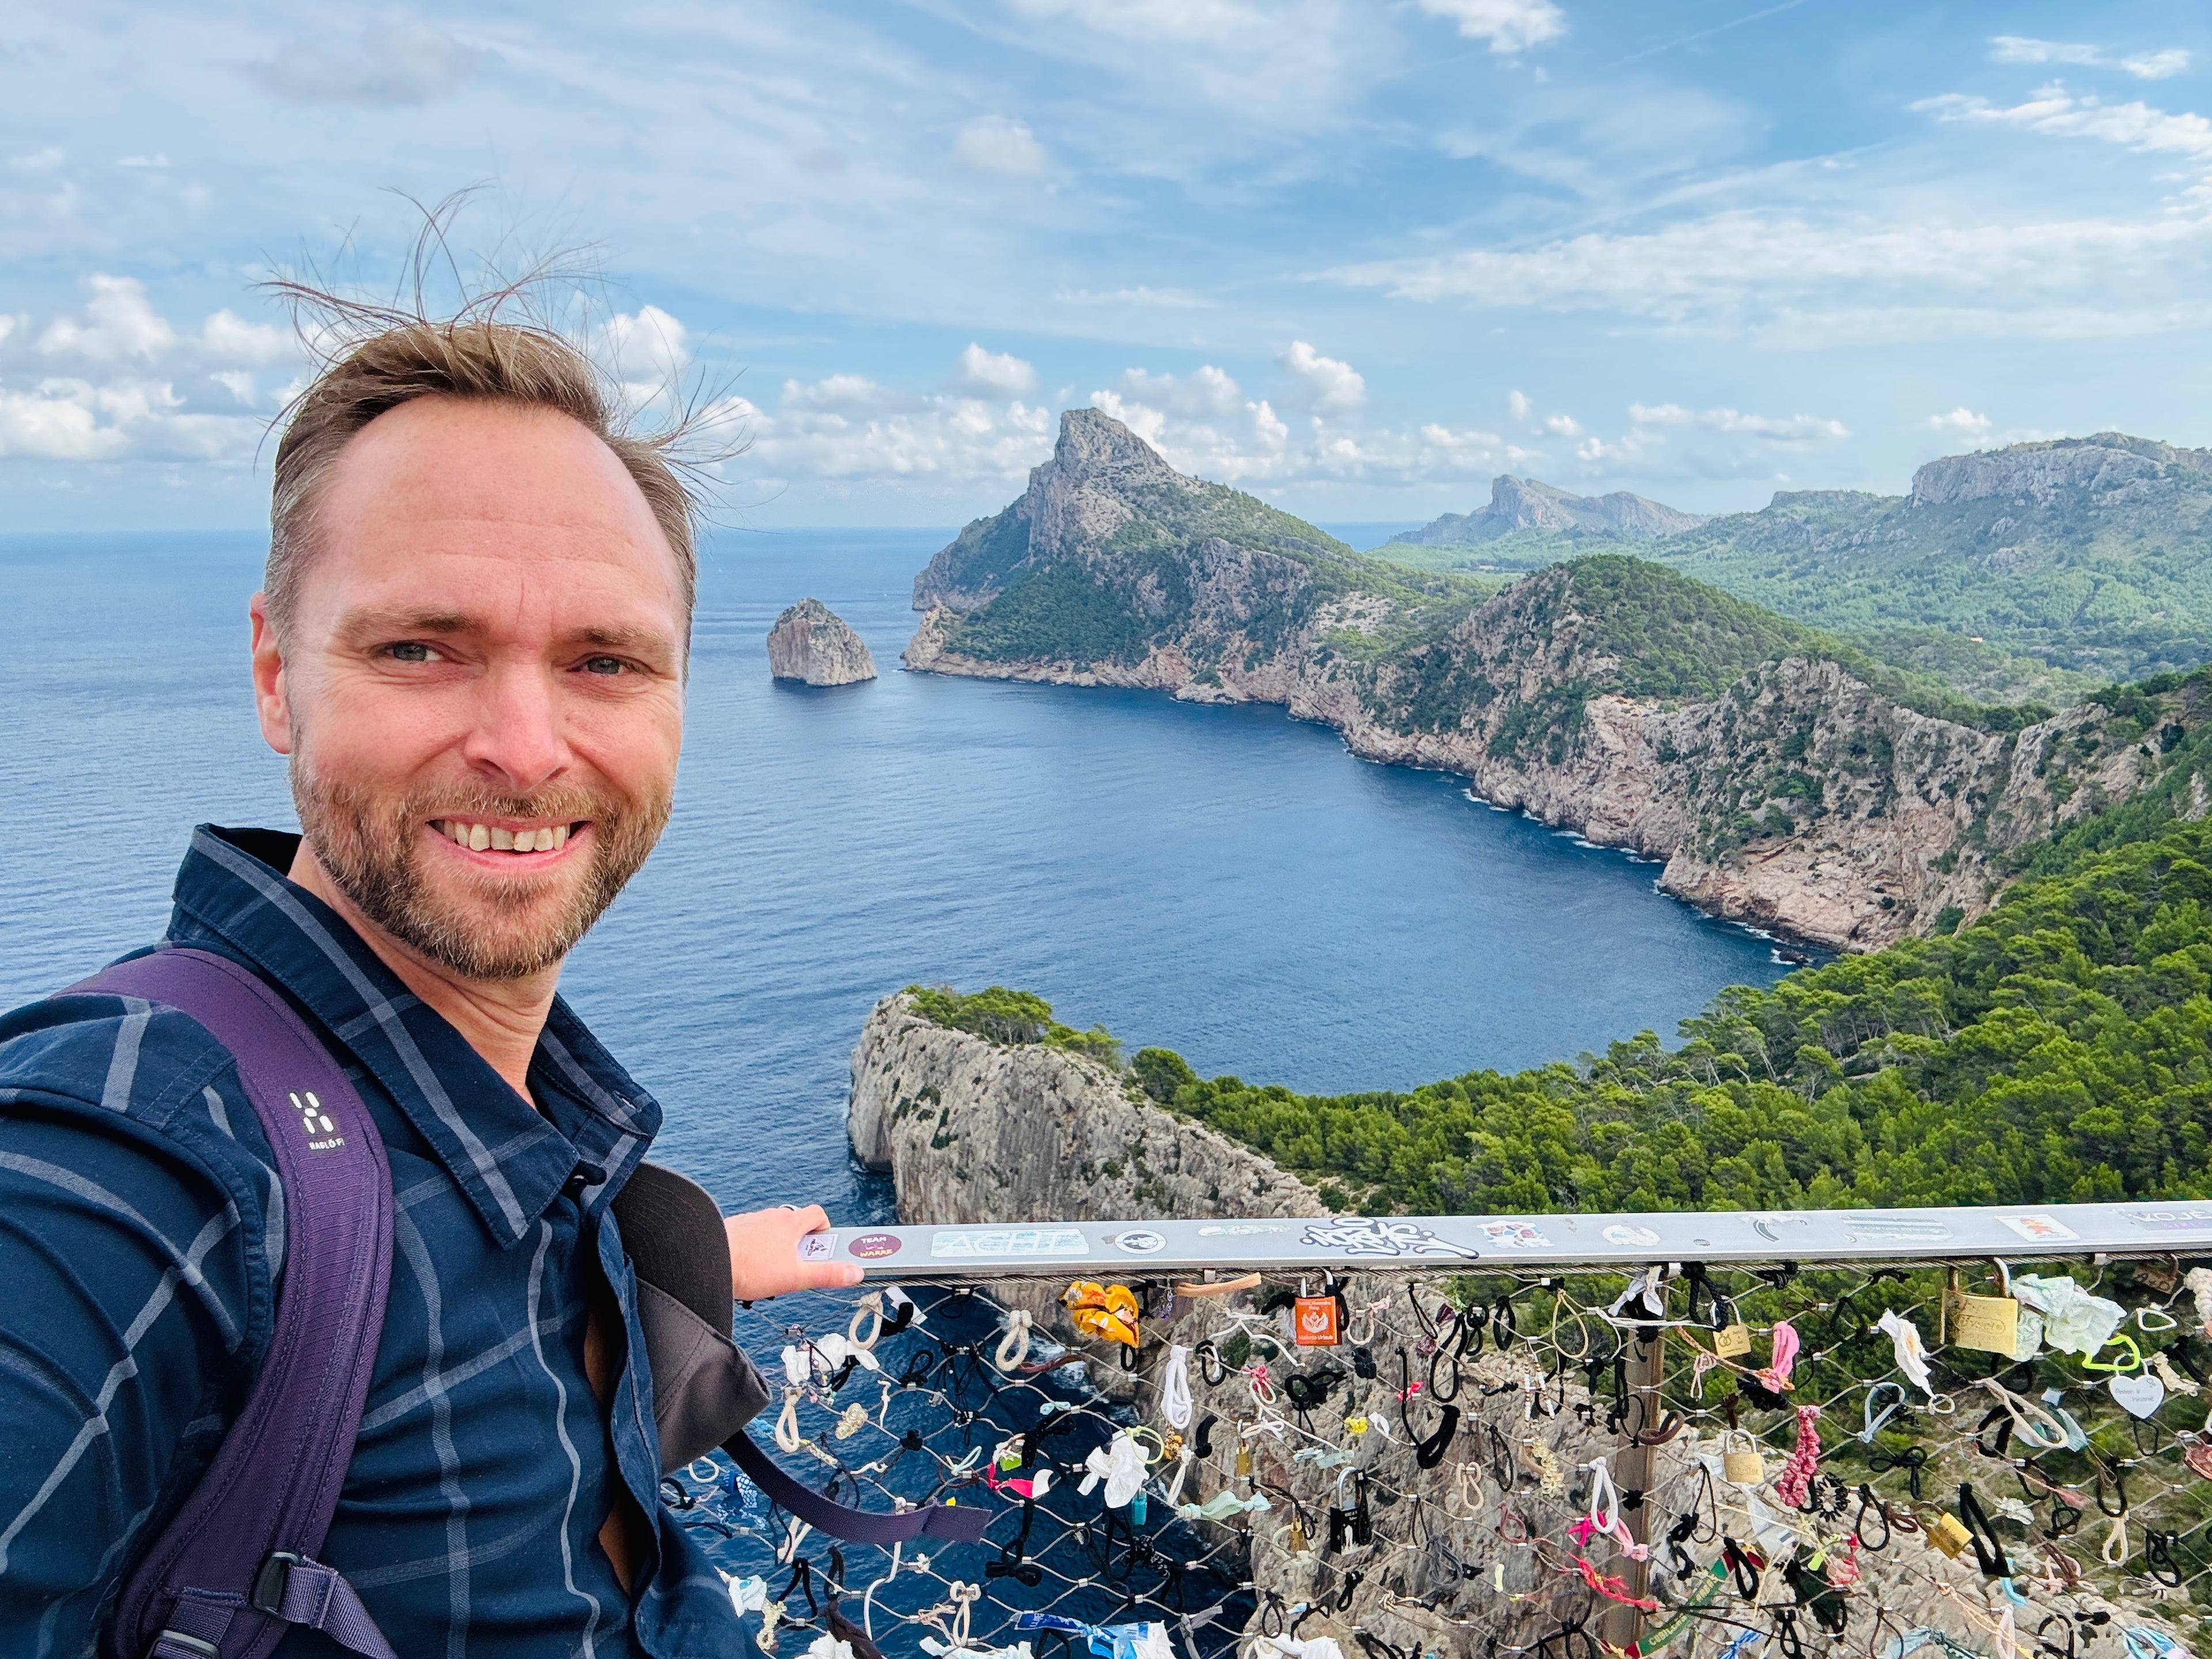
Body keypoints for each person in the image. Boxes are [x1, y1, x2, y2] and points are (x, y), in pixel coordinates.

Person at [0, 298, 864, 1656]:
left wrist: (672, 1281)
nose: (524, 749)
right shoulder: (134, 1158)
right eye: (420, 648)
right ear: (277, 675)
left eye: (605, 661)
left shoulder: (511, 1128)